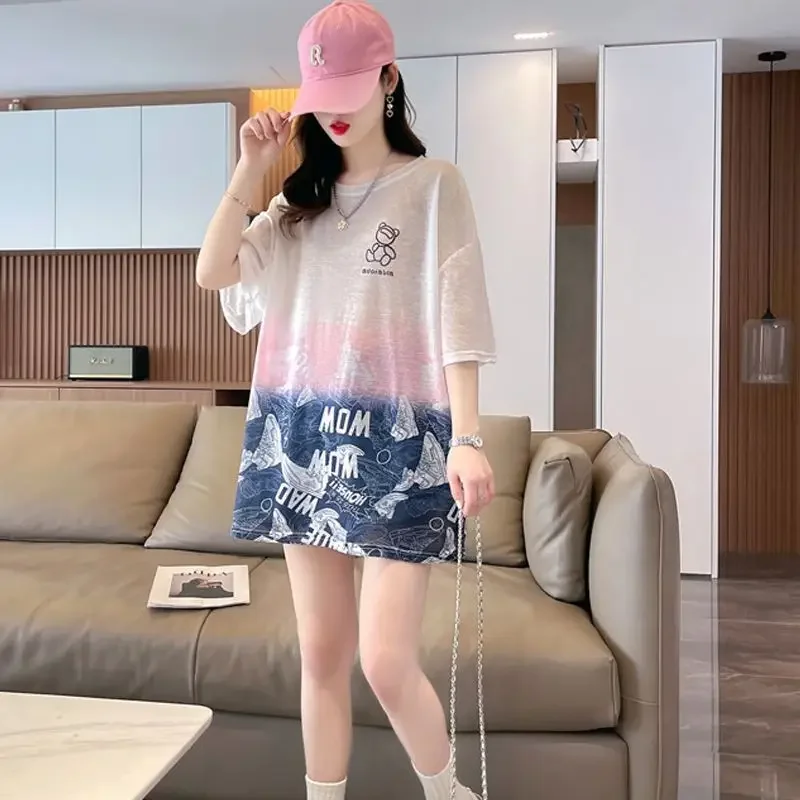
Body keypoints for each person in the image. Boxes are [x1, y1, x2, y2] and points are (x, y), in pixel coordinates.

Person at [196, 1, 496, 797]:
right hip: (298, 436)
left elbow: (459, 320)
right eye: (322, 95)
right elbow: (213, 272)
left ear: (389, 79)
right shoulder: (295, 209)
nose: (333, 112)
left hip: (402, 442)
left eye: (350, 90)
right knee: (322, 655)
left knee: (385, 660)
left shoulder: (434, 186)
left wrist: (469, 438)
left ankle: (449, 792)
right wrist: (248, 171)